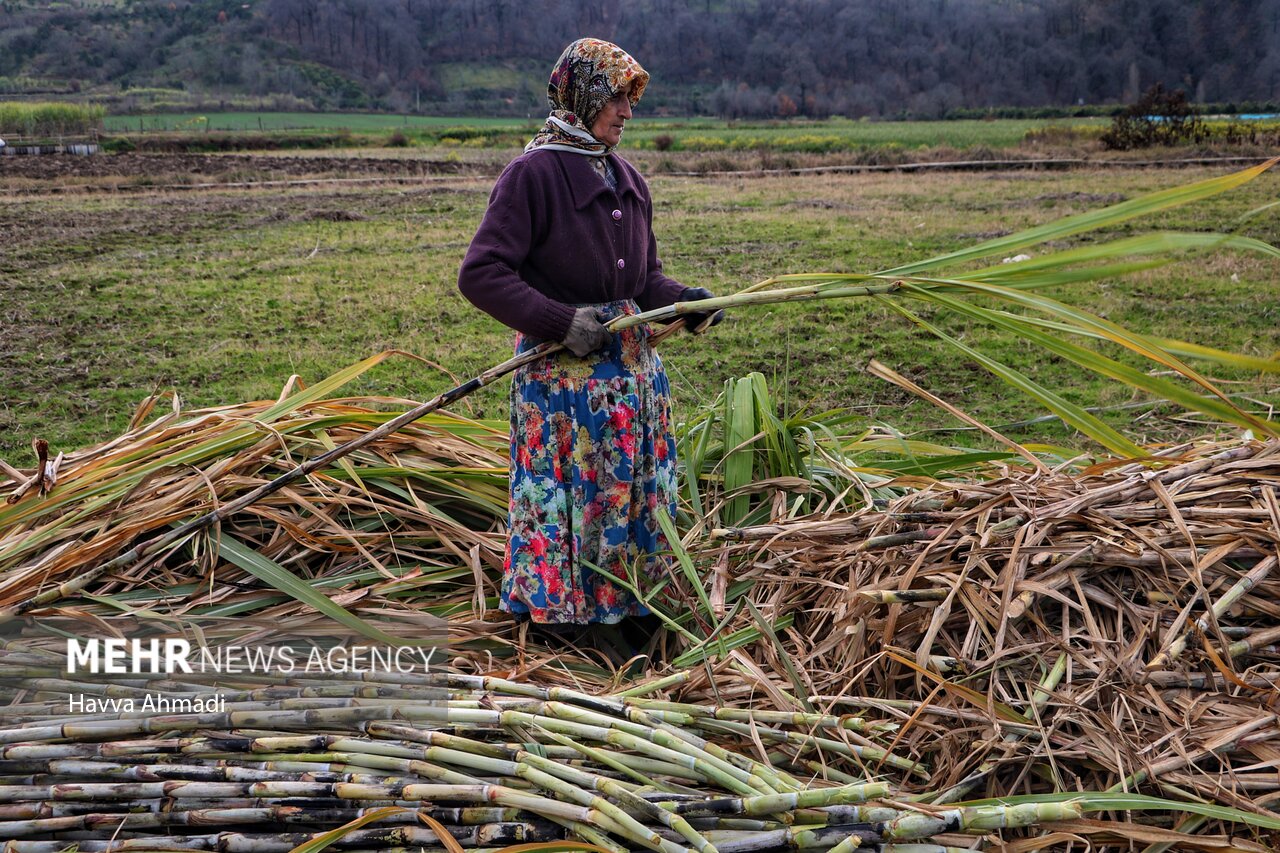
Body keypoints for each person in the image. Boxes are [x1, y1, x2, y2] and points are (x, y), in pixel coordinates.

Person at [457, 38, 723, 631]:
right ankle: (566, 625)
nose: (628, 112)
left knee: (629, 499)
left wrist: (686, 302)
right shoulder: (532, 176)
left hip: (632, 388)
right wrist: (560, 321)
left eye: (631, 99)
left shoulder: (627, 177)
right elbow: (481, 274)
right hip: (563, 392)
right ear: (581, 95)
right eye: (616, 98)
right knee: (575, 501)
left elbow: (645, 280)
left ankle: (632, 611)